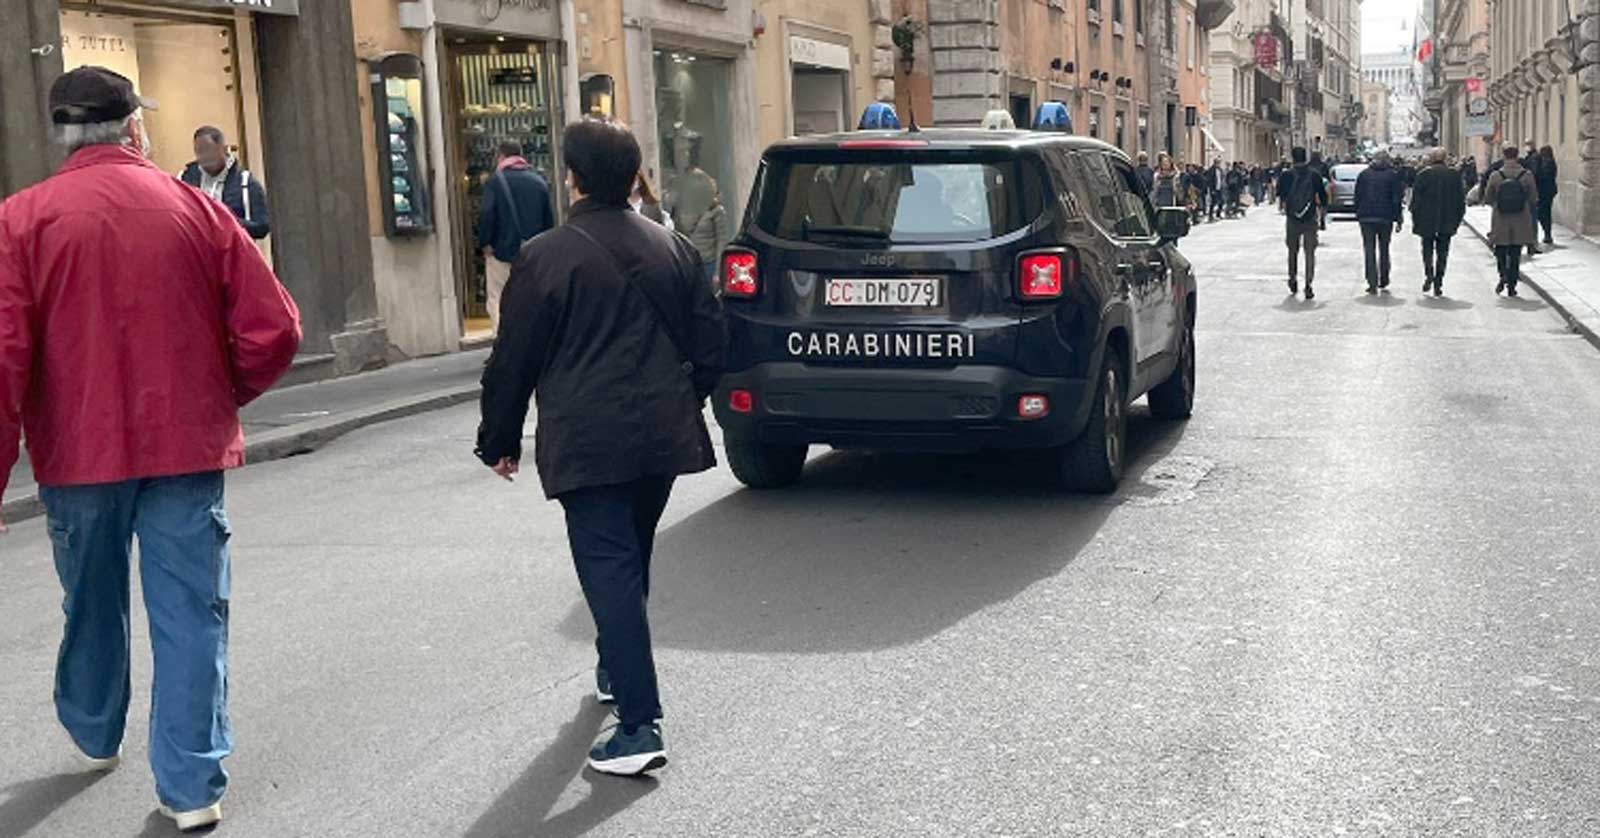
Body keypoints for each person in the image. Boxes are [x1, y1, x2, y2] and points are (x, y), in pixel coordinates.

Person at [0, 66, 301, 832]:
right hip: (184, 447)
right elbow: (276, 329)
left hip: (76, 451)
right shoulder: (196, 210)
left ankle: (96, 731)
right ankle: (191, 783)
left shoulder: (21, 221)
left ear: (62, 137)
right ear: (134, 129)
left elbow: (4, 358)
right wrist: (221, 393)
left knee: (90, 598)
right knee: (190, 612)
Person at [476, 119, 726, 776]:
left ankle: (640, 726)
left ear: (573, 177)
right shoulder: (673, 248)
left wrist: (498, 440)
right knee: (628, 559)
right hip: (660, 438)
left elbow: (513, 362)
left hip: (589, 441)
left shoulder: (545, 256)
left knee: (609, 569)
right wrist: (682, 399)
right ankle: (617, 671)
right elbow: (713, 348)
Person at [477, 140, 556, 335]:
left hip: (502, 252)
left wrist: (485, 242)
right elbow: (549, 220)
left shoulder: (495, 182)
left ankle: (502, 343)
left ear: (501, 156)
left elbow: (488, 213)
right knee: (531, 298)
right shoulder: (539, 182)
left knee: (498, 298)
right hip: (533, 255)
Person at [179, 125, 270, 240]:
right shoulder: (185, 180)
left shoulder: (246, 183)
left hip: (233, 253)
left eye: (209, 152)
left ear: (223, 149)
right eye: (199, 153)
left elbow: (262, 228)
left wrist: (226, 221)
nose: (204, 159)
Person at [1484, 144, 1540, 297]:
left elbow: (1488, 198)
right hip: (1520, 218)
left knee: (1500, 250)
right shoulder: (1527, 175)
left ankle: (1503, 275)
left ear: (1504, 156)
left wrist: (1498, 202)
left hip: (1501, 218)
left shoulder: (1496, 175)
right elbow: (1534, 197)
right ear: (1517, 156)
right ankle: (1512, 285)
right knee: (1515, 253)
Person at [1410, 147, 1467, 296]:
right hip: (1447, 220)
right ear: (1445, 159)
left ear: (1431, 158)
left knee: (1427, 249)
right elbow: (1460, 201)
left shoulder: (1423, 175)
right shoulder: (1454, 176)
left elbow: (1415, 201)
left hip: (1426, 220)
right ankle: (1438, 282)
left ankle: (1429, 274)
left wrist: (1415, 219)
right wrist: (1458, 220)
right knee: (1443, 252)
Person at [1354, 150, 1406, 294]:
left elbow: (1357, 196)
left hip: (1366, 217)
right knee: (1384, 248)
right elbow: (1396, 199)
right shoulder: (1392, 176)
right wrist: (1399, 218)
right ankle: (1384, 278)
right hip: (1386, 217)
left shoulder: (1364, 175)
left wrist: (1358, 212)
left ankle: (1371, 281)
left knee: (1369, 249)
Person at [1278, 146, 1328, 300]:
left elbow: (1281, 196)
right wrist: (1322, 217)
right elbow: (1323, 198)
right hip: (1310, 218)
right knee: (1309, 253)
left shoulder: (1286, 175)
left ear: (1293, 158)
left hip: (1293, 218)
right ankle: (1308, 284)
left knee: (1292, 251)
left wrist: (1286, 207)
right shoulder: (1314, 175)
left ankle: (1292, 278)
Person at [1535, 145, 1559, 247]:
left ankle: (1547, 234)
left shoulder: (1548, 163)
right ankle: (1547, 234)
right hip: (1547, 191)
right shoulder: (1548, 162)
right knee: (1545, 213)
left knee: (1543, 213)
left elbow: (1543, 176)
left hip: (1545, 192)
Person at [1310, 151, 1332, 230]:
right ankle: (1322, 217)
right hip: (1323, 184)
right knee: (1323, 204)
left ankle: (1315, 219)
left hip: (1312, 186)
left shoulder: (1309, 165)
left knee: (1313, 204)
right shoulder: (1324, 165)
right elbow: (1328, 177)